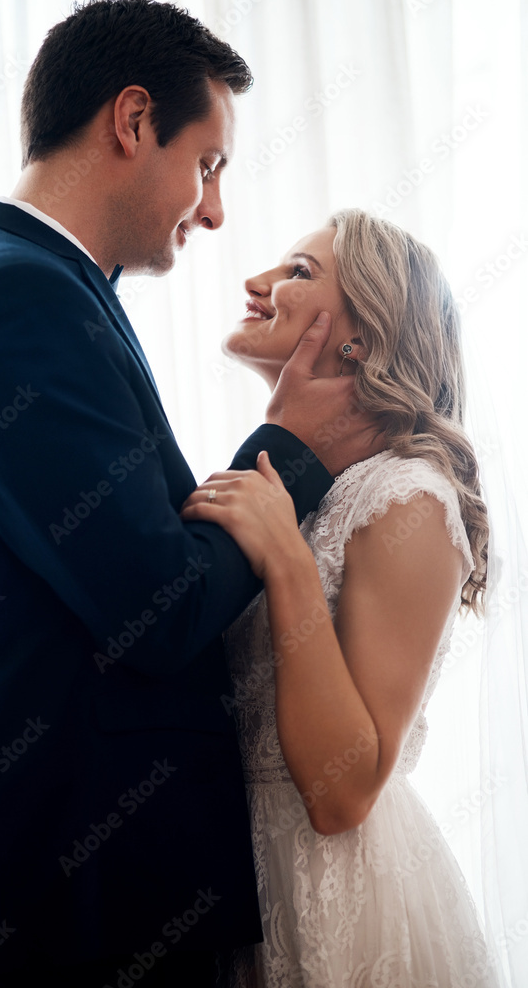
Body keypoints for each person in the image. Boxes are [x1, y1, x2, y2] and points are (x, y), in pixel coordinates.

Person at [0, 0, 380, 988]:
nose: (215, 209)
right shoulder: (18, 301)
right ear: (133, 120)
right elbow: (160, 607)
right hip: (61, 925)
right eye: (209, 163)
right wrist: (295, 447)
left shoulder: (31, 289)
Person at [182, 210, 504, 987]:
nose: (256, 286)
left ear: (360, 338)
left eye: (295, 272)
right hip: (234, 885)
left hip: (335, 898)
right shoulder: (297, 488)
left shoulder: (409, 499)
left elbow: (343, 793)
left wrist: (288, 563)